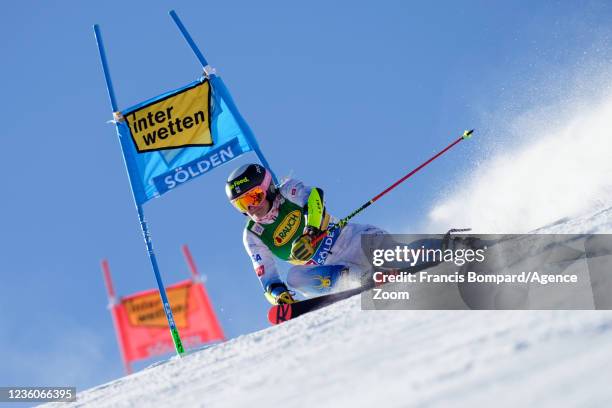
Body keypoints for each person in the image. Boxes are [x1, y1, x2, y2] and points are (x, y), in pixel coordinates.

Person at [225, 163, 387, 305]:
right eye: (241, 204)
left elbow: (314, 197)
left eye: (254, 197)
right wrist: (279, 296)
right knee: (295, 277)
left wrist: (310, 233)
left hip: (353, 241)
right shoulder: (253, 235)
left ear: (268, 188)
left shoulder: (288, 191)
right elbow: (268, 280)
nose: (250, 208)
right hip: (329, 269)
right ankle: (362, 278)